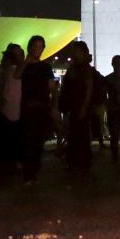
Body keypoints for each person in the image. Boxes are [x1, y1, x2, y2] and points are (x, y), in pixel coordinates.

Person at [18, 36, 56, 183]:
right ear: (30, 48)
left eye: (40, 47)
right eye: (35, 46)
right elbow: (17, 75)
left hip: (41, 109)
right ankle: (28, 173)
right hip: (27, 109)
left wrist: (54, 106)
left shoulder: (45, 67)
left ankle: (33, 171)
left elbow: (52, 88)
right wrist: (26, 62)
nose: (37, 50)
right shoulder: (25, 66)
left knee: (38, 142)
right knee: (28, 141)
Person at [59, 42, 102, 174]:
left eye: (77, 51)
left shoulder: (85, 69)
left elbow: (89, 88)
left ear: (83, 52)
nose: (74, 53)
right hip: (74, 107)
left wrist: (84, 107)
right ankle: (75, 162)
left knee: (81, 135)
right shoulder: (74, 68)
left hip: (82, 107)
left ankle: (82, 163)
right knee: (74, 135)